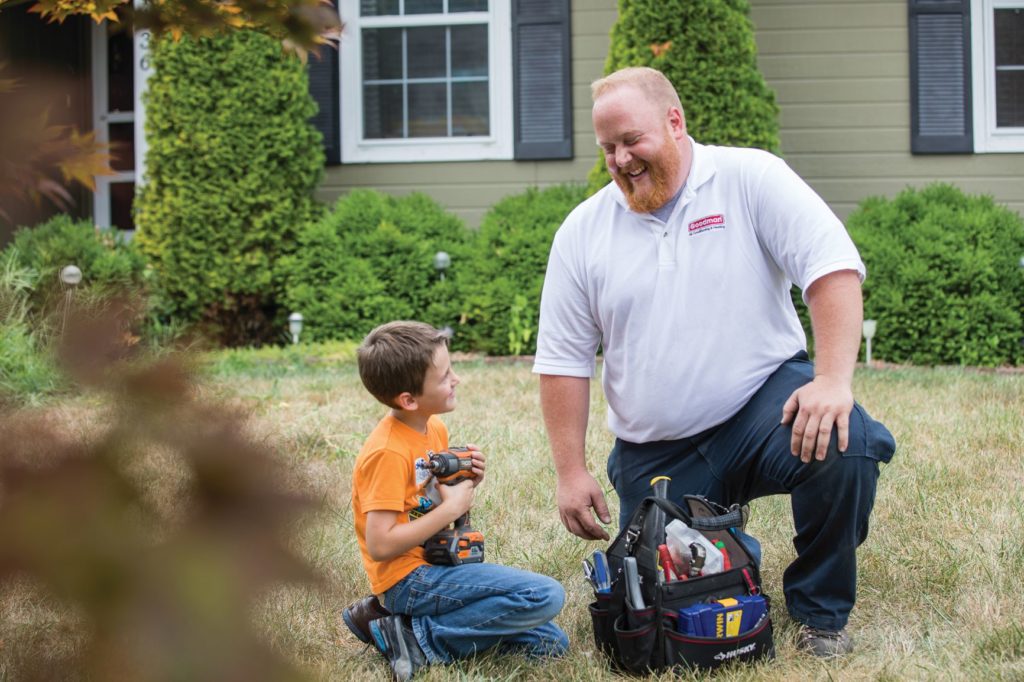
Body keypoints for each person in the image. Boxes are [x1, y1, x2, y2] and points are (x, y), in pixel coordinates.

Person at [533, 67, 896, 658]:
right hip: (659, 445)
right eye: (607, 148)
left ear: (674, 122)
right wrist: (570, 471)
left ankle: (820, 615)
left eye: (632, 141)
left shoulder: (750, 177)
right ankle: (726, 549)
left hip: (761, 404)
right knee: (661, 593)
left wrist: (832, 381)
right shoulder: (583, 232)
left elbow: (831, 268)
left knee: (844, 440)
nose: (620, 160)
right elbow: (563, 360)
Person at [345, 321, 568, 680]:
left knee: (551, 642)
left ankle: (404, 627)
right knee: (544, 596)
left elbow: (428, 499)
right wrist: (452, 507)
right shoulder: (386, 452)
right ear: (408, 399)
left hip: (437, 563)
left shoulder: (433, 428)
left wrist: (464, 479)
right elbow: (380, 543)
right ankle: (418, 637)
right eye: (445, 375)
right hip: (408, 579)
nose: (456, 379)